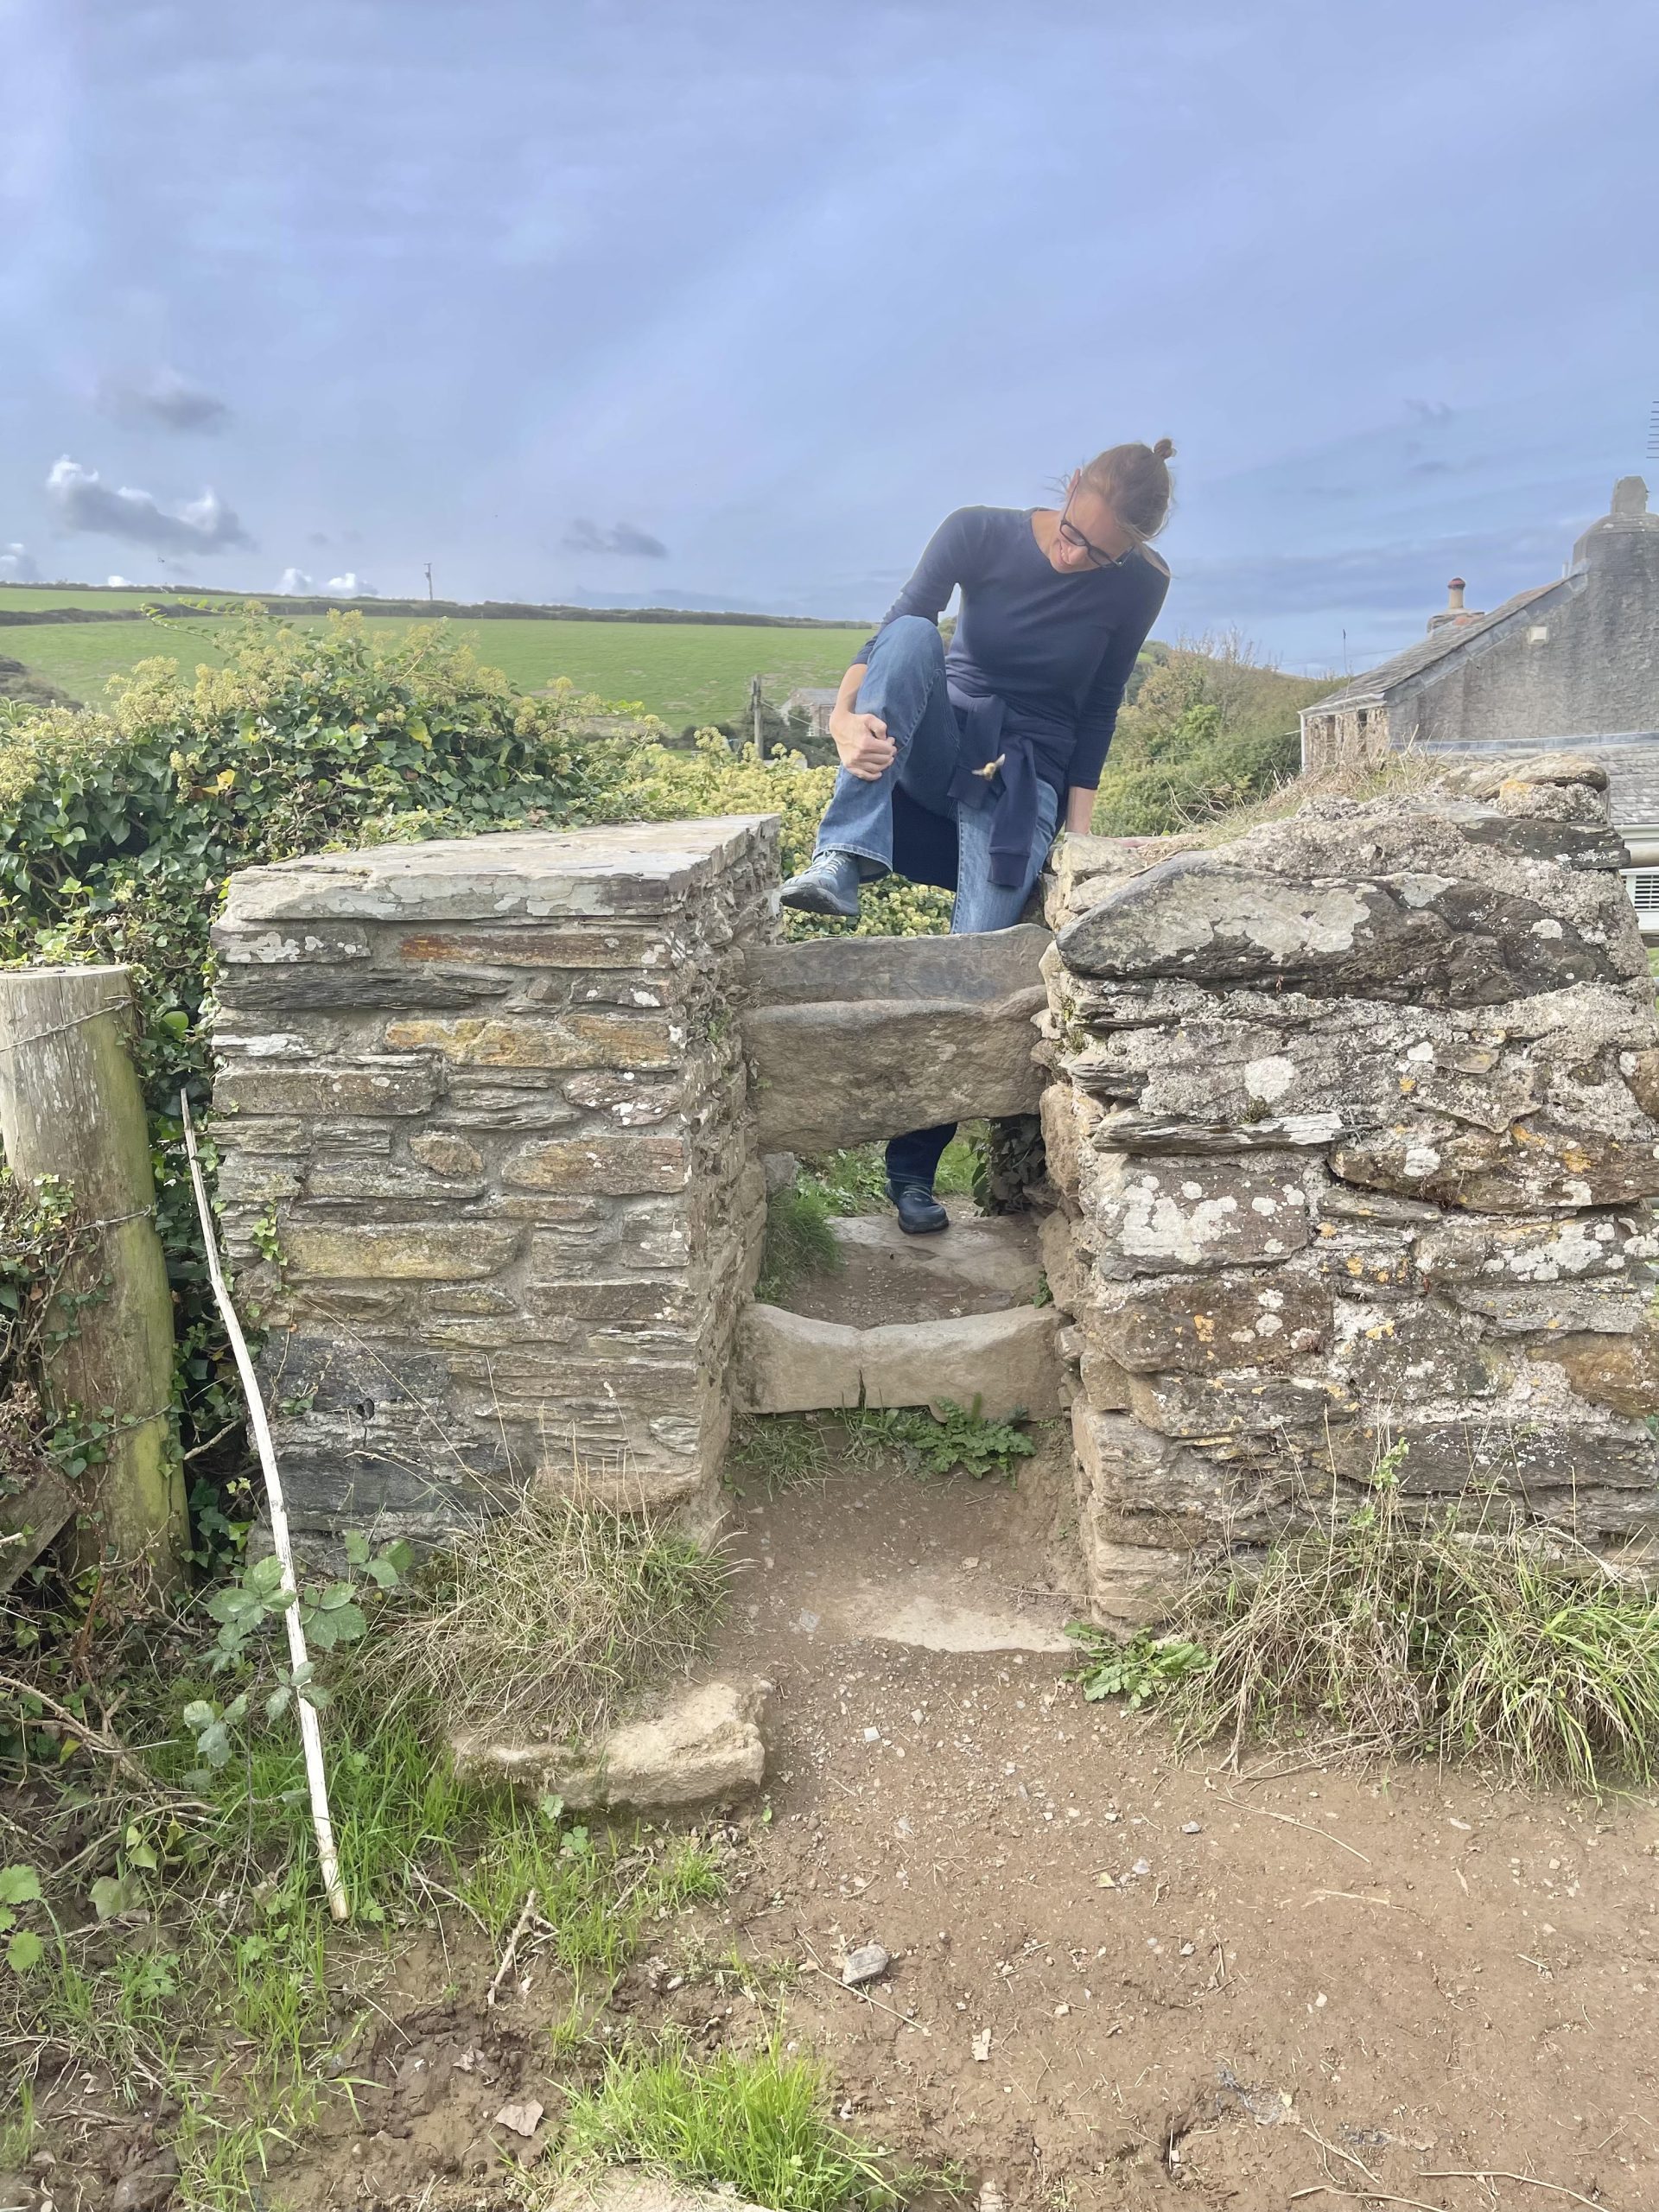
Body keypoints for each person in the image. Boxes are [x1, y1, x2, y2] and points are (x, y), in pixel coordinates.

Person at [781, 439, 1175, 1234]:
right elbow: (895, 631)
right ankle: (844, 855)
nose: (1073, 555)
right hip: (935, 750)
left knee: (968, 976)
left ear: (1132, 548)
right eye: (1071, 531)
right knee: (915, 638)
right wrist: (842, 722)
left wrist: (1078, 844)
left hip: (1022, 782)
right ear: (1067, 490)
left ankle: (912, 1172)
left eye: (1098, 553)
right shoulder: (977, 531)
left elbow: (1099, 709)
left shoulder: (1140, 586)